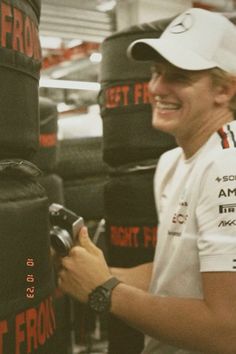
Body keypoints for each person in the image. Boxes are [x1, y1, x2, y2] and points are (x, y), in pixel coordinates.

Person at [58, 8, 236, 354]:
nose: (156, 87)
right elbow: (177, 272)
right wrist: (95, 271)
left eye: (178, 77)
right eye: (155, 72)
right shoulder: (172, 162)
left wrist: (103, 290)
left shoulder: (227, 166)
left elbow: (228, 329)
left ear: (224, 90)